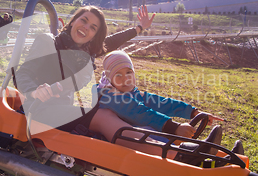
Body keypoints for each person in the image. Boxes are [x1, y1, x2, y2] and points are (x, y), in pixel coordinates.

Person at [15, 5, 154, 132]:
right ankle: (157, 153)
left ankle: (154, 142)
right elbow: (22, 73)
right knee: (102, 117)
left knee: (111, 112)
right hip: (39, 108)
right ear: (73, 21)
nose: (86, 27)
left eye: (93, 27)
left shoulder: (85, 53)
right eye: (84, 21)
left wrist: (140, 28)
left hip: (62, 110)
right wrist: (34, 91)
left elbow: (112, 41)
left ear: (94, 35)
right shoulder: (49, 42)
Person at [92, 50, 244, 164]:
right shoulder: (108, 94)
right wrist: (172, 127)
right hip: (127, 139)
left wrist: (192, 112)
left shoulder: (133, 92)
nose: (125, 78)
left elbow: (161, 102)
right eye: (118, 75)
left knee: (154, 131)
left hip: (143, 136)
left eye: (128, 72)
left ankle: (224, 159)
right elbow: (137, 112)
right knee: (150, 130)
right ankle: (199, 157)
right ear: (109, 78)